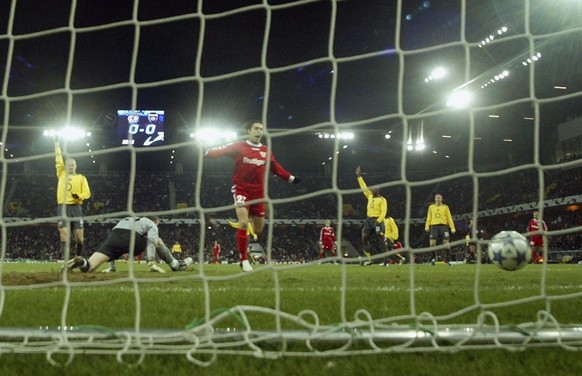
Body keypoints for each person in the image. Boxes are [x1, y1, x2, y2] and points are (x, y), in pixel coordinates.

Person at [202, 120, 301, 272]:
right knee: (243, 222)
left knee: (258, 230)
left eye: (261, 129)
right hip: (241, 189)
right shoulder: (239, 146)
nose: (259, 131)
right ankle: (243, 259)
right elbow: (221, 151)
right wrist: (206, 152)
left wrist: (291, 178)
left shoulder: (266, 151)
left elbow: (276, 168)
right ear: (248, 131)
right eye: (256, 128)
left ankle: (246, 225)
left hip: (259, 193)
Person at [67, 216, 191, 273]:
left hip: (114, 237)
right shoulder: (150, 222)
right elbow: (152, 241)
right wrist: (151, 261)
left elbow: (117, 239)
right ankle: (175, 265)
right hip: (133, 239)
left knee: (89, 267)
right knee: (158, 239)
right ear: (156, 222)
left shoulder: (127, 219)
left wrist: (112, 266)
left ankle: (81, 261)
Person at [55, 135, 91, 262]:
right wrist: (57, 143)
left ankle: (77, 257)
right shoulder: (61, 174)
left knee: (80, 238)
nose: (71, 167)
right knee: (64, 234)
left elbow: (87, 193)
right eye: (69, 165)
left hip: (76, 208)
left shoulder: (81, 178)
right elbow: (58, 158)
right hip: (63, 207)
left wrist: (79, 196)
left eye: (73, 165)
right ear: (65, 166)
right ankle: (65, 262)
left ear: (76, 166)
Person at [355, 166, 388, 266]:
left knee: (381, 240)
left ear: (378, 190)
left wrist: (378, 221)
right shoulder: (369, 196)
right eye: (372, 188)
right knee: (364, 238)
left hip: (378, 221)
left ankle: (386, 261)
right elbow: (363, 187)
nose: (372, 189)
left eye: (374, 188)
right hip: (369, 221)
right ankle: (369, 259)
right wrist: (359, 176)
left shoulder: (382, 200)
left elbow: (384, 212)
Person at [424, 193, 456, 264]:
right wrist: (427, 226)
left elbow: (449, 218)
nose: (438, 199)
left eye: (439, 197)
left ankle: (448, 259)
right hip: (434, 226)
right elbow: (429, 217)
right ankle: (433, 258)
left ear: (441, 199)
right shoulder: (431, 207)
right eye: (436, 197)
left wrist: (452, 227)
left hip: (443, 226)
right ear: (435, 199)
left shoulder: (445, 207)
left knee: (446, 243)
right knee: (432, 243)